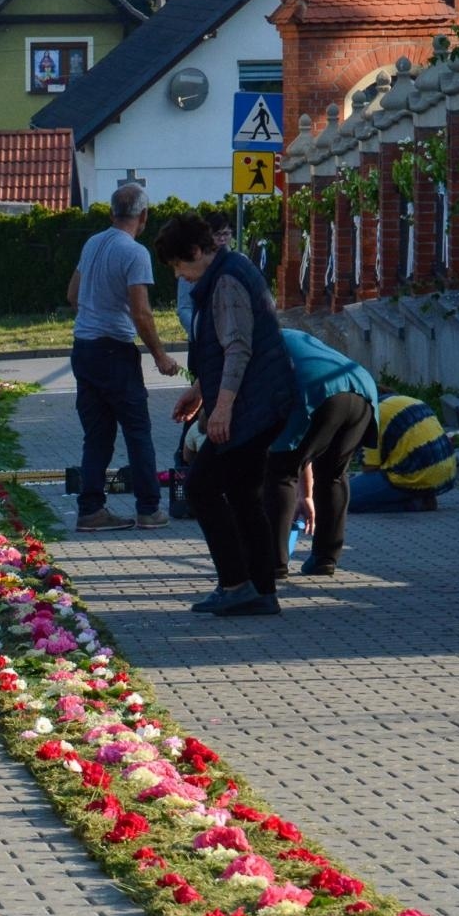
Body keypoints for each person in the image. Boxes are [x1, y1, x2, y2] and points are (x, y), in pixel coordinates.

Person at [156, 214, 297, 617]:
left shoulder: (227, 281)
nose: (181, 277)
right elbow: (223, 348)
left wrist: (222, 408)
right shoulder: (227, 272)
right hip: (259, 401)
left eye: (180, 266)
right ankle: (261, 590)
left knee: (201, 487)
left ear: (198, 252)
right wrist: (199, 391)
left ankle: (236, 583)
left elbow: (238, 347)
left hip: (253, 406)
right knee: (242, 495)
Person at [67, 183, 181, 532]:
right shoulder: (135, 253)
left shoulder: (93, 243)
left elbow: (73, 294)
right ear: (143, 216)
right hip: (114, 350)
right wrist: (160, 355)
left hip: (83, 348)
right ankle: (149, 508)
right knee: (137, 431)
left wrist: (95, 312)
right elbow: (141, 312)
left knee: (97, 435)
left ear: (111, 212)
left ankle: (90, 510)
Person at [263, 330, 378, 578]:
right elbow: (304, 448)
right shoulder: (288, 335)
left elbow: (293, 443)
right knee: (334, 474)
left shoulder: (248, 344)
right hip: (360, 387)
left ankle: (273, 563)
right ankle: (325, 558)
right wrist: (306, 494)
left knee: (279, 472)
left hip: (315, 389)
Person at [348, 393, 456, 513]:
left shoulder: (369, 417)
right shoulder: (404, 400)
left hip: (414, 475)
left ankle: (415, 504)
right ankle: (422, 496)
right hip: (445, 471)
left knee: (341, 500)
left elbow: (370, 468)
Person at [176, 211, 232, 340]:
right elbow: (184, 307)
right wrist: (199, 333)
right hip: (201, 338)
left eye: (226, 234)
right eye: (217, 234)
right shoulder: (194, 264)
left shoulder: (238, 262)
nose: (222, 239)